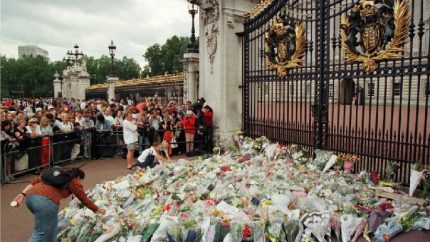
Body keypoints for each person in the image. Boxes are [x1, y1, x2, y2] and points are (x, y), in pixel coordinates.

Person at [12, 167, 104, 242]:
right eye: (81, 180)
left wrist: (22, 194)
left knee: (52, 225)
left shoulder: (55, 175)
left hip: (30, 198)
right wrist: (98, 210)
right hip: (46, 202)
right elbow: (84, 199)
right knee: (40, 233)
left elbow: (34, 182)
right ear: (78, 177)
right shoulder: (73, 181)